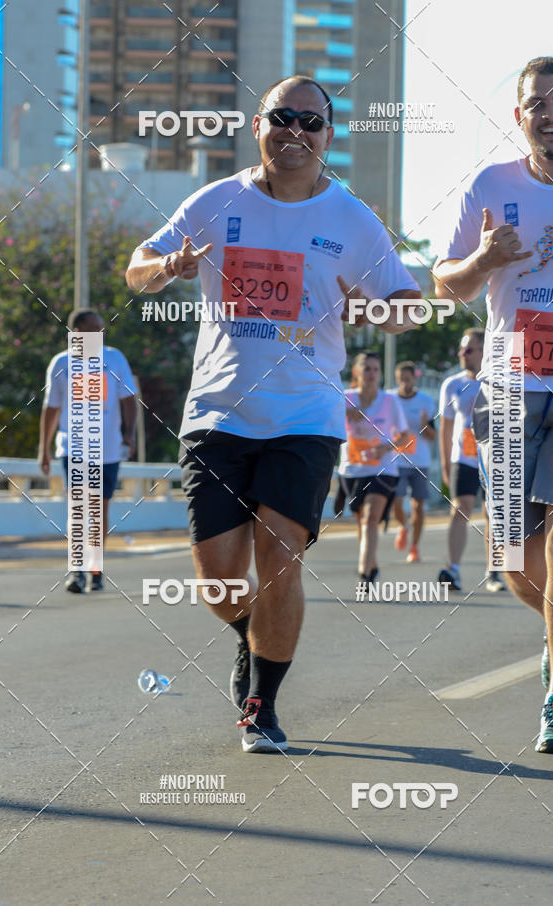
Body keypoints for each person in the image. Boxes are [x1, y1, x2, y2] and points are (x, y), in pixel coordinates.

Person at [125, 75, 421, 753]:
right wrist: (164, 267)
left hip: (306, 418)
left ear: (328, 137)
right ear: (258, 124)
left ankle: (262, 703)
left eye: (310, 123)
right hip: (217, 416)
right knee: (222, 582)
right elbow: (136, 266)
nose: (295, 132)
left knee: (281, 554)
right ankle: (252, 637)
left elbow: (407, 306)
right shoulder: (215, 200)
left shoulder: (350, 217)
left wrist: (371, 307)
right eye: (282, 117)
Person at [433, 56, 553, 753]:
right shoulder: (489, 186)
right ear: (519, 116)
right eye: (537, 103)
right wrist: (486, 261)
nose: (550, 113)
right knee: (514, 562)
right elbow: (448, 284)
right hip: (507, 388)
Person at [38, 309, 137, 593]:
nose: (99, 334)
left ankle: (96, 567)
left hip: (107, 450)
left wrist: (128, 434)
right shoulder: (61, 363)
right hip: (73, 447)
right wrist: (43, 449)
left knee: (99, 509)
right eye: (92, 329)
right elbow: (51, 408)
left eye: (101, 329)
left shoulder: (114, 358)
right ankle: (76, 570)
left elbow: (130, 400)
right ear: (76, 334)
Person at [437, 329, 504, 593]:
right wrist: (445, 463)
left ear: (484, 351)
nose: (462, 354)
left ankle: (495, 571)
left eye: (469, 350)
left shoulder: (499, 380)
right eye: (461, 349)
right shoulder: (452, 384)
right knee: (460, 508)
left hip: (495, 457)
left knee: (493, 513)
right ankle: (453, 569)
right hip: (462, 458)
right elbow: (445, 427)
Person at [338, 351, 409, 589]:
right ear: (357, 372)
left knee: (370, 518)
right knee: (361, 521)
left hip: (384, 469)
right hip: (352, 470)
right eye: (366, 368)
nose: (371, 373)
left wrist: (385, 448)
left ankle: (364, 573)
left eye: (375, 369)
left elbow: (406, 435)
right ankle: (373, 565)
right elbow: (324, 420)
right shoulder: (345, 398)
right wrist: (345, 413)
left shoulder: (390, 401)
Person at [389, 361, 437, 563]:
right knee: (395, 502)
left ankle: (415, 547)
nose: (404, 383)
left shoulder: (426, 401)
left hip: (420, 461)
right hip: (396, 460)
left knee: (418, 506)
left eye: (407, 379)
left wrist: (425, 425)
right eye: (400, 379)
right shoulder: (389, 399)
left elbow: (432, 436)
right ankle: (403, 526)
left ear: (414, 379)